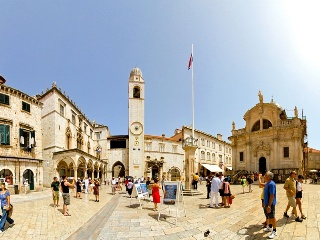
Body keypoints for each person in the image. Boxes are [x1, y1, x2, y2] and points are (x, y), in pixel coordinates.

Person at [263, 171, 277, 239]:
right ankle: (270, 227)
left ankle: (274, 231)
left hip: (270, 203)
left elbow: (272, 195)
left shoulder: (271, 184)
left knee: (272, 217)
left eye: (265, 175)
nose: (264, 176)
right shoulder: (267, 183)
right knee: (268, 216)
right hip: (266, 203)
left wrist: (269, 205)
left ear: (268, 177)